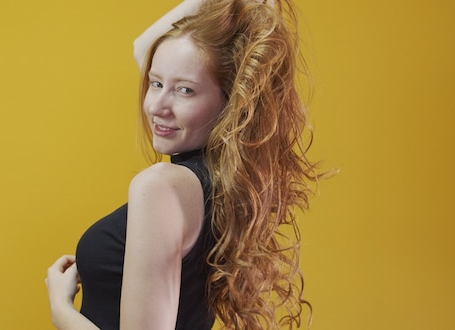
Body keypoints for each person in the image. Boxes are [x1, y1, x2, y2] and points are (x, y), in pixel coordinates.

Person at [46, 0, 320, 329]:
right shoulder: (224, 182)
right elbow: (146, 49)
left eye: (185, 90)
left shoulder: (161, 186)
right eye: (156, 83)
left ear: (231, 102)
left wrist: (60, 306)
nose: (157, 106)